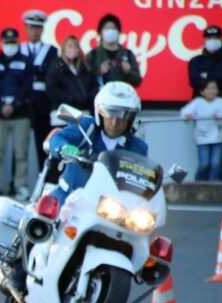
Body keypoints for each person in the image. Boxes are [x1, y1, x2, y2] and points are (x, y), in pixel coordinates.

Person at [49, 81, 146, 207]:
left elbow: (141, 181)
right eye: (110, 113)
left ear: (132, 118)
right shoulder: (86, 127)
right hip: (69, 197)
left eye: (123, 114)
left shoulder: (138, 148)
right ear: (99, 113)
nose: (114, 122)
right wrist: (63, 147)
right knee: (45, 218)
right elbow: (58, 138)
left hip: (111, 208)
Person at [0, 28, 33, 201]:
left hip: (20, 114)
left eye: (13, 42)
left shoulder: (26, 62)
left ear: (18, 43)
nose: (10, 46)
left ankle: (21, 187)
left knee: (21, 153)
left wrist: (14, 104)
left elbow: (27, 86)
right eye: (7, 43)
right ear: (1, 43)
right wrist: (1, 104)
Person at [188, 25, 222, 181]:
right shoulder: (196, 61)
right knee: (204, 151)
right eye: (209, 38)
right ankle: (202, 183)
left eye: (215, 38)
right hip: (202, 115)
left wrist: (207, 76)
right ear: (204, 41)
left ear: (221, 40)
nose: (212, 41)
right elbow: (194, 80)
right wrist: (216, 77)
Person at [44, 35, 98, 183]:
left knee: (81, 153)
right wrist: (72, 99)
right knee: (59, 150)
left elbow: (92, 88)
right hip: (61, 116)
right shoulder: (56, 67)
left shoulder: (84, 68)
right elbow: (52, 89)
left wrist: (86, 99)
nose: (73, 50)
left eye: (75, 47)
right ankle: (53, 182)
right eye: (69, 46)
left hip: (82, 117)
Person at [20, 10, 57, 170]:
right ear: (26, 29)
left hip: (42, 104)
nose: (34, 31)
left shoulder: (51, 50)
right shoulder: (19, 49)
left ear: (42, 30)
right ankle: (18, 185)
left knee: (43, 145)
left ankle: (45, 181)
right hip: (22, 103)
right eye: (31, 27)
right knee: (19, 147)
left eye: (38, 27)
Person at [180, 79, 222, 182]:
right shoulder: (198, 102)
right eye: (208, 88)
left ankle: (213, 185)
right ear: (202, 92)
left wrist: (219, 118)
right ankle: (199, 183)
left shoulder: (220, 102)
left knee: (215, 164)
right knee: (204, 164)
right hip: (202, 139)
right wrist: (188, 116)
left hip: (217, 139)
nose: (211, 91)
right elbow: (184, 113)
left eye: (214, 88)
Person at [85, 13, 142, 88]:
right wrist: (99, 72)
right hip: (101, 97)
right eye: (107, 28)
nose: (111, 31)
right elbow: (84, 81)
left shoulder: (128, 54)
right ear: (101, 32)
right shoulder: (93, 55)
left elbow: (138, 81)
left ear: (119, 32)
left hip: (122, 96)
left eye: (114, 28)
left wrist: (128, 72)